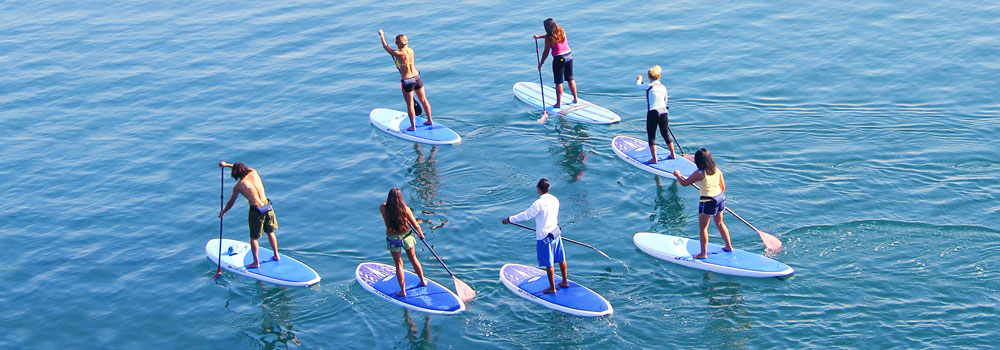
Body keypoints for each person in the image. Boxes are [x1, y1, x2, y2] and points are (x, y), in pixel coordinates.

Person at [502, 178, 568, 294]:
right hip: (556, 232)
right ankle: (564, 282)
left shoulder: (538, 203)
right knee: (561, 258)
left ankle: (552, 288)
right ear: (548, 188)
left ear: (538, 189)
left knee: (549, 263)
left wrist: (509, 219)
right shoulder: (555, 199)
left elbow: (526, 216)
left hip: (544, 237)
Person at [673, 148, 734, 259]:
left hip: (707, 202)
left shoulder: (699, 173)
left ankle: (703, 254)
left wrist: (677, 175)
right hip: (719, 199)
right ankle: (729, 247)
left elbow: (684, 183)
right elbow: (722, 187)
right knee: (720, 224)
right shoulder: (717, 170)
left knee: (703, 229)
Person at [218, 161, 279, 269]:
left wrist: (224, 212)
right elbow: (242, 168)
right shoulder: (254, 172)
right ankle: (276, 255)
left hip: (256, 210)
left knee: (254, 238)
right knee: (270, 232)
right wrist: (227, 164)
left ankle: (256, 263)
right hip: (267, 206)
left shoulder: (239, 186)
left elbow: (232, 201)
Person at [379, 29, 433, 131]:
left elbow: (386, 47)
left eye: (396, 42)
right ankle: (430, 120)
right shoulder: (411, 50)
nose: (395, 44)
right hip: (417, 78)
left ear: (400, 43)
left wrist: (382, 35)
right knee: (424, 100)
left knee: (410, 104)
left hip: (408, 81)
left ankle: (413, 126)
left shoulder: (398, 53)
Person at [380, 187, 427, 296]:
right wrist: (421, 234)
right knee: (413, 258)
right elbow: (415, 225)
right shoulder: (405, 209)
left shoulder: (383, 208)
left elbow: (387, 213)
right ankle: (423, 281)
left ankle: (403, 291)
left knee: (399, 264)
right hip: (407, 237)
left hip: (393, 238)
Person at [533, 18, 578, 108]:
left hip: (559, 59)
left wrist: (541, 63)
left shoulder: (549, 39)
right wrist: (539, 37)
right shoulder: (561, 30)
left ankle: (558, 104)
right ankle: (576, 99)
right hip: (569, 56)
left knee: (558, 82)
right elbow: (549, 34)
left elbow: (546, 52)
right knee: (570, 78)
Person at [635, 65, 674, 163]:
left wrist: (639, 79)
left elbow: (638, 86)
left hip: (653, 113)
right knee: (665, 134)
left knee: (651, 136)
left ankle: (654, 159)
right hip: (664, 112)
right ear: (658, 77)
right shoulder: (664, 87)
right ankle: (673, 154)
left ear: (649, 78)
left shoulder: (649, 86)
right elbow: (665, 101)